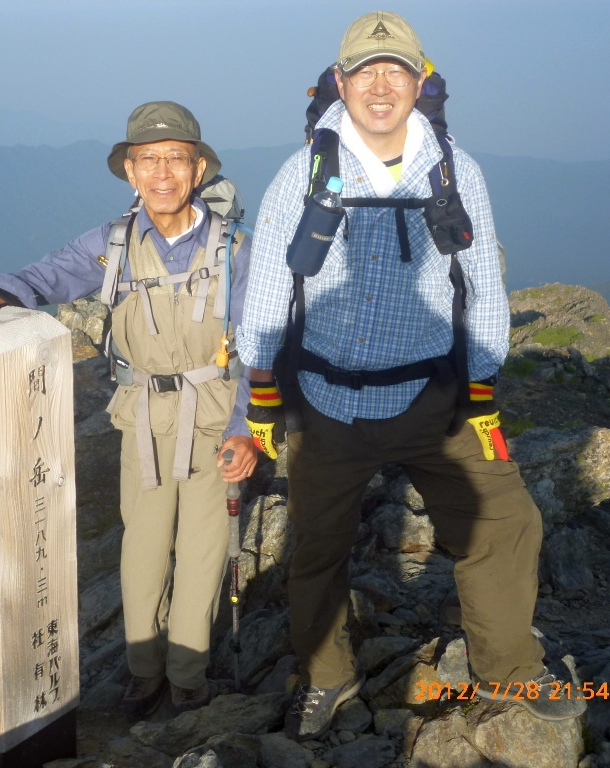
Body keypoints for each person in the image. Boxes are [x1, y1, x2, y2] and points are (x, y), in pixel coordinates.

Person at [237, 11, 586, 741]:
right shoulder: (302, 171)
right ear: (340, 82)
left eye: (397, 70)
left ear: (421, 81)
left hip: (434, 398)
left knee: (506, 520)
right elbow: (267, 285)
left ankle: (510, 669)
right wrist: (264, 391)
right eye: (365, 71)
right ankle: (328, 678)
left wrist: (483, 387)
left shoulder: (454, 168)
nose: (381, 85)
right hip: (326, 402)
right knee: (319, 547)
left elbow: (483, 281)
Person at [0, 101, 256, 716]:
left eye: (176, 160)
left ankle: (187, 676)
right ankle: (143, 670)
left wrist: (248, 430)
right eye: (148, 161)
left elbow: (264, 346)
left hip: (213, 415)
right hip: (140, 417)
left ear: (198, 169)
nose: (163, 174)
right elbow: (45, 277)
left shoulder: (236, 248)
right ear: (130, 172)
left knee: (206, 546)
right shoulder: (110, 244)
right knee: (142, 545)